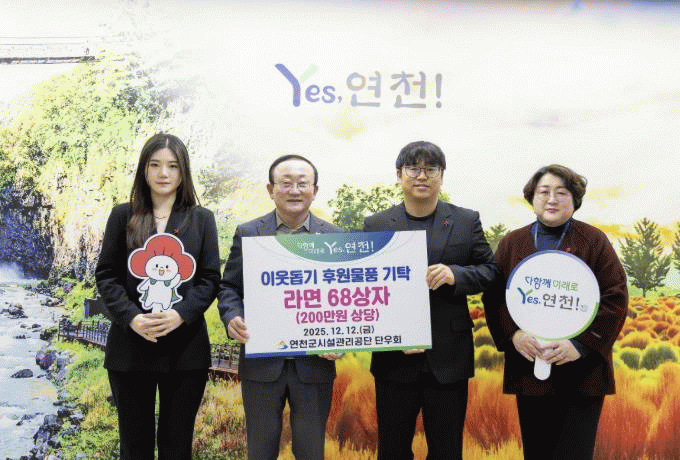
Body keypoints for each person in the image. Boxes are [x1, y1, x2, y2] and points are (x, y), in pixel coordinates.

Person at [363, 141, 499, 460]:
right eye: (413, 169)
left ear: (441, 176)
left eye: (430, 169)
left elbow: (491, 271)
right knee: (392, 450)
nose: (422, 176)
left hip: (449, 356)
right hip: (394, 359)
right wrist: (391, 334)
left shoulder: (466, 220)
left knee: (447, 450)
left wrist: (456, 275)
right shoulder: (376, 224)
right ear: (399, 175)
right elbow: (365, 286)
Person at [483, 164, 628, 460]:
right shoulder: (513, 243)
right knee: (537, 452)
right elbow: (494, 296)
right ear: (532, 197)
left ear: (575, 199)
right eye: (544, 192)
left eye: (561, 193)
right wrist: (514, 336)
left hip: (582, 375)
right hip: (530, 369)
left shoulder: (594, 241)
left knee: (575, 453)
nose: (552, 199)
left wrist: (580, 345)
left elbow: (615, 297)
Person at [95, 133, 220, 460]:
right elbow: (106, 274)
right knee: (134, 448)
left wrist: (181, 314)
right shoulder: (122, 215)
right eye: (155, 165)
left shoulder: (202, 219)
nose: (164, 173)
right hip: (130, 348)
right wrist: (132, 318)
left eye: (172, 166)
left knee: (176, 448)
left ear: (183, 172)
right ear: (144, 170)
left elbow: (210, 278)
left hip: (186, 350)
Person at [217, 154, 343, 460]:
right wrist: (232, 316)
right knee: (261, 450)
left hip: (314, 366)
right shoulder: (249, 233)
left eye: (303, 183)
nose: (295, 190)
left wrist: (341, 338)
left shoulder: (335, 238)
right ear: (271, 189)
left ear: (315, 190)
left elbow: (344, 298)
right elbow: (229, 287)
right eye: (286, 183)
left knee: (311, 451)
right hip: (262, 364)